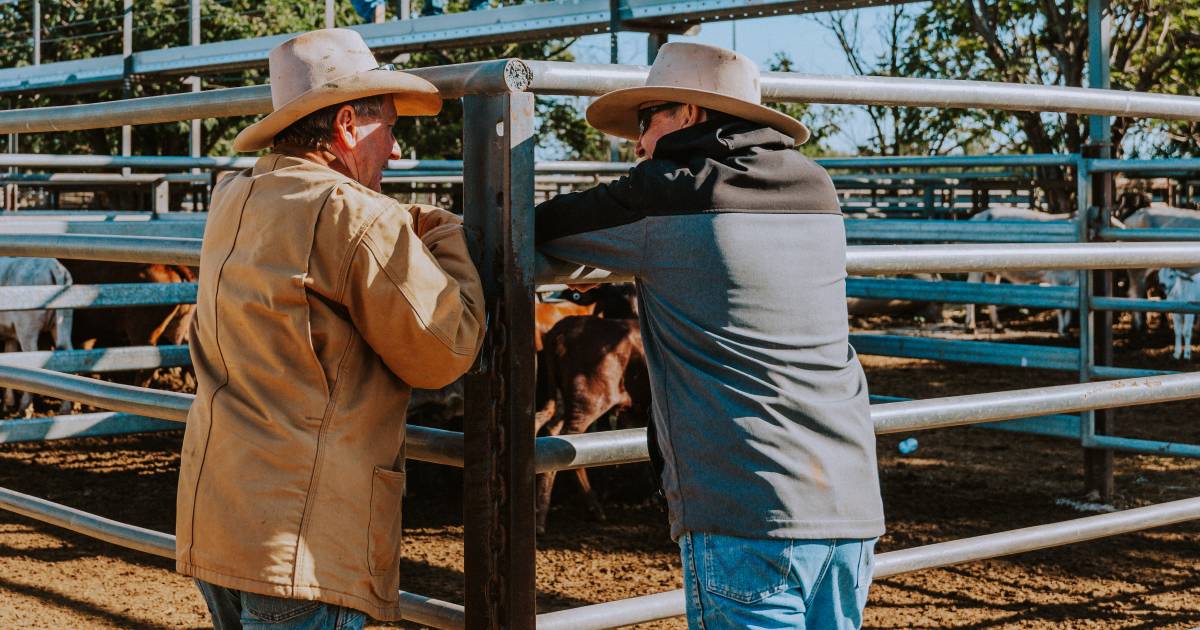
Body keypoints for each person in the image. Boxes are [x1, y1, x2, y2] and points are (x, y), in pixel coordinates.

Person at [534, 42, 885, 629]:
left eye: (646, 122)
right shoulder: (818, 188)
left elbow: (536, 225)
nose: (639, 143)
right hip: (849, 504)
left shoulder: (672, 190)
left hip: (744, 502)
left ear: (690, 115)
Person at [175, 28, 485, 629]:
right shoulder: (356, 215)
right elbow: (446, 350)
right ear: (347, 125)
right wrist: (446, 237)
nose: (395, 151)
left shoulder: (236, 195)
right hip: (305, 539)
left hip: (221, 520)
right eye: (389, 128)